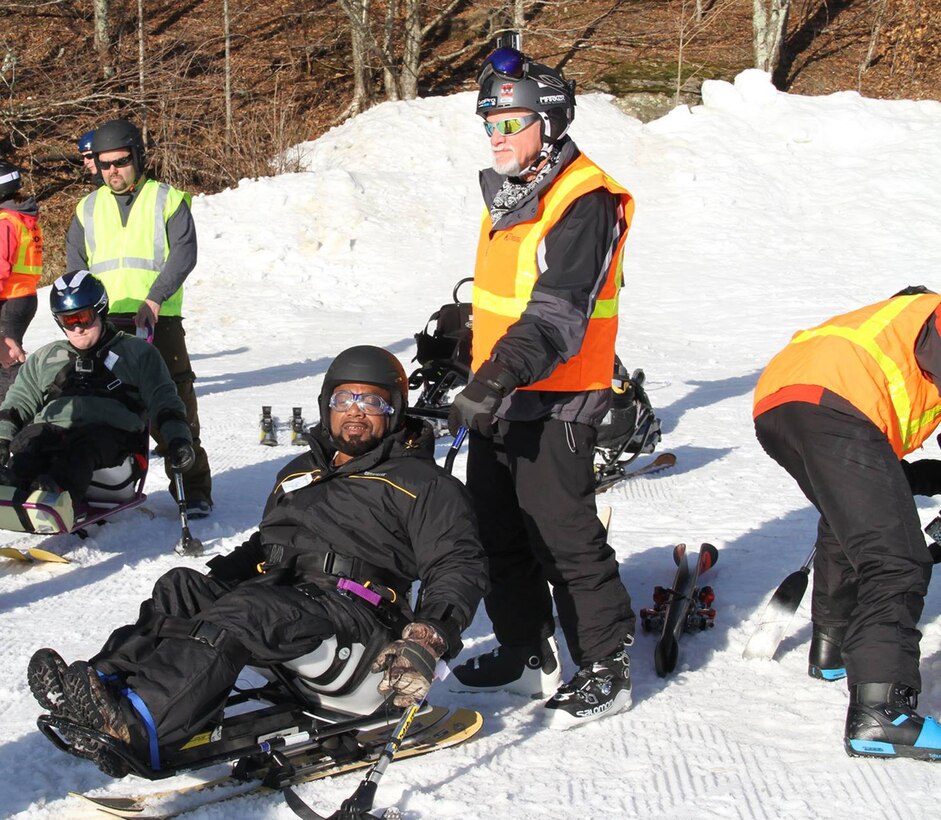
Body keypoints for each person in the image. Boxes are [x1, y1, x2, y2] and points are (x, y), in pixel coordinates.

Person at [27, 345, 488, 777]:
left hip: (357, 619)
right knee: (180, 587)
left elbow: (459, 564)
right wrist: (209, 588)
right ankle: (99, 687)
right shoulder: (299, 472)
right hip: (290, 599)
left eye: (373, 401)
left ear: (395, 409)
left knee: (243, 612)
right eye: (345, 398)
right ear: (327, 403)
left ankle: (139, 723)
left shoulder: (422, 484)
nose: (356, 411)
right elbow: (265, 545)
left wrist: (429, 636)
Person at [446, 47, 636, 729]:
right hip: (501, 393)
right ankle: (526, 648)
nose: (495, 133)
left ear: (548, 122)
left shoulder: (583, 198)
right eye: (488, 120)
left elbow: (556, 311)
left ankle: (606, 666)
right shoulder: (510, 193)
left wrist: (495, 374)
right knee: (494, 528)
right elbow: (501, 300)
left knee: (562, 535)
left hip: (558, 395)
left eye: (510, 120)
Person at [753, 286, 941, 761]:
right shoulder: (934, 313)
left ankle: (832, 646)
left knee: (851, 524)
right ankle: (881, 711)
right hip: (834, 406)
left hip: (780, 402)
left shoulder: (882, 327)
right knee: (896, 561)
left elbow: (885, 481)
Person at [65, 117, 213, 518]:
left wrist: (154, 298)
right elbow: (75, 266)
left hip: (156, 319)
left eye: (122, 161)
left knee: (174, 403)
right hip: (104, 323)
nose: (114, 170)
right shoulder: (86, 208)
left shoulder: (167, 199)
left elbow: (184, 254)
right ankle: (105, 484)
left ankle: (194, 487)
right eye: (106, 163)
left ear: (138, 157)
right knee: (100, 405)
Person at [0, 271, 194, 503]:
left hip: (112, 441)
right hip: (55, 434)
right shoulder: (46, 357)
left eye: (83, 317)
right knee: (32, 440)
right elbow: (18, 402)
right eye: (67, 321)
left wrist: (178, 439)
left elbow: (164, 399)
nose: (77, 328)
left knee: (83, 446)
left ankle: (55, 496)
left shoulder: (138, 353)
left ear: (100, 311)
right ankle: (12, 486)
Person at [0, 160, 42, 402]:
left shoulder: (6, 222)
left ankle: (11, 410)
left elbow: (1, 267)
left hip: (10, 298)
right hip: (24, 296)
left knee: (6, 358)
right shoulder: (24, 217)